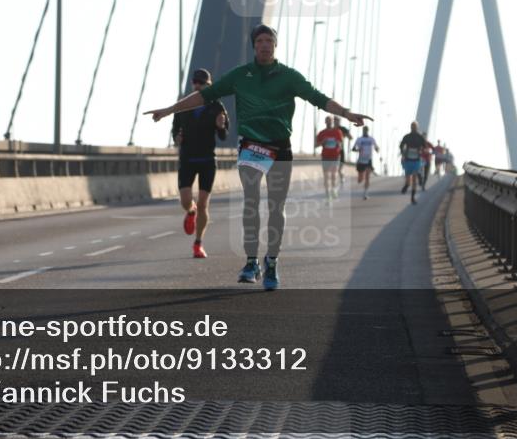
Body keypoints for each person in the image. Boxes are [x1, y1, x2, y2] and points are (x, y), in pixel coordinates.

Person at [146, 24, 371, 290]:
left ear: (275, 45)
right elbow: (204, 97)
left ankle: (272, 262)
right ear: (254, 46)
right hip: (251, 146)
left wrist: (346, 113)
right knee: (251, 201)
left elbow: (318, 98)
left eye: (269, 41)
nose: (265, 45)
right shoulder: (241, 75)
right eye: (260, 41)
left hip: (280, 148)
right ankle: (251, 262)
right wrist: (169, 110)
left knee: (276, 207)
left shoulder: (289, 76)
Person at [171, 69, 228, 259]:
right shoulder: (183, 107)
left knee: (204, 204)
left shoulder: (216, 106)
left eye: (201, 83)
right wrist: (177, 138)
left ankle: (198, 244)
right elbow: (175, 132)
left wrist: (220, 126)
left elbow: (223, 135)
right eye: (195, 82)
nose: (197, 85)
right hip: (187, 159)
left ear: (208, 85)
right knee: (186, 200)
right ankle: (190, 211)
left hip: (207, 161)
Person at [399, 122, 430, 205]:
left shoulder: (420, 137)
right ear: (410, 127)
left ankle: (412, 197)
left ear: (417, 127)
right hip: (408, 160)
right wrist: (403, 152)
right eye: (412, 126)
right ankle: (406, 185)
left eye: (414, 127)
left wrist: (422, 150)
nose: (413, 128)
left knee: (414, 179)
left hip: (416, 160)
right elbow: (401, 145)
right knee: (408, 179)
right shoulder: (407, 137)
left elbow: (425, 147)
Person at [315, 116, 344, 199]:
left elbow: (341, 145)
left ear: (332, 122)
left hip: (335, 156)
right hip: (325, 156)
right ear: (325, 122)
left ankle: (333, 190)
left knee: (333, 174)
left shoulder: (337, 132)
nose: (329, 123)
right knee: (326, 175)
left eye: (330, 121)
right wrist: (322, 142)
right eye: (327, 121)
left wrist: (338, 144)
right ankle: (327, 192)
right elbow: (316, 145)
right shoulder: (322, 133)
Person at [352, 126, 380, 200]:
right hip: (361, 160)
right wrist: (358, 149)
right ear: (362, 131)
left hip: (368, 160)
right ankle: (361, 177)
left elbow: (376, 146)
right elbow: (353, 148)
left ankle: (365, 193)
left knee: (368, 177)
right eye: (364, 130)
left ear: (368, 131)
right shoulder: (359, 139)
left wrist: (377, 149)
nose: (365, 131)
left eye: (366, 130)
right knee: (360, 179)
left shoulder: (371, 139)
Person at [333, 115, 353, 185]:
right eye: (334, 120)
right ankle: (334, 183)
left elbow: (351, 137)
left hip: (340, 151)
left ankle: (342, 177)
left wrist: (345, 135)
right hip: (332, 151)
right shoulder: (331, 129)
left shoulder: (343, 129)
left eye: (337, 120)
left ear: (339, 121)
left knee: (339, 169)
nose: (335, 121)